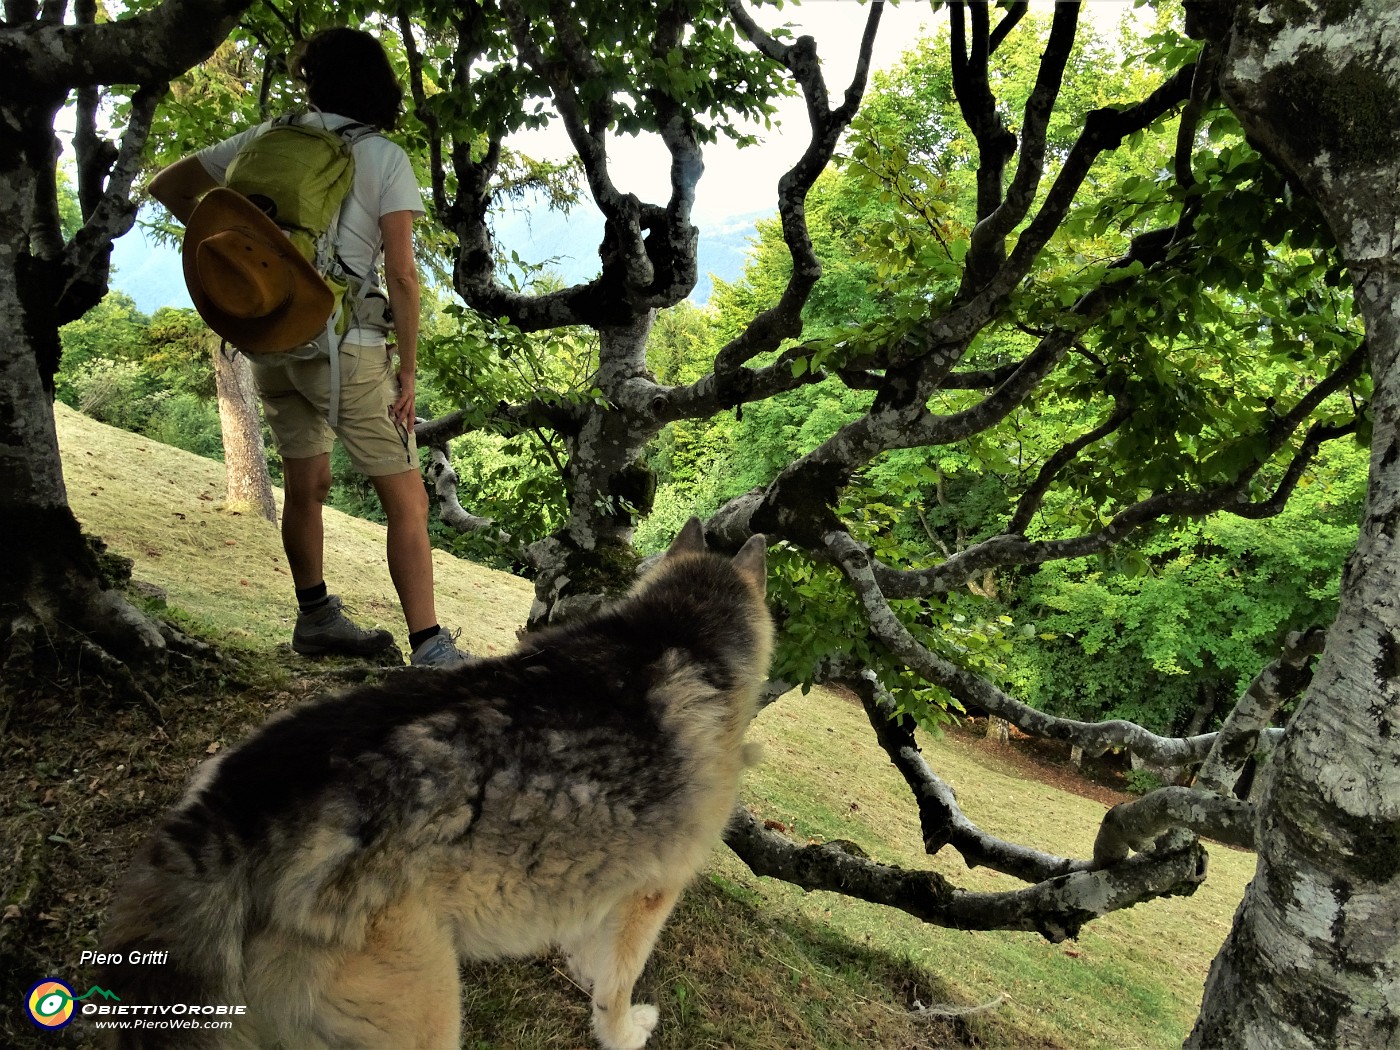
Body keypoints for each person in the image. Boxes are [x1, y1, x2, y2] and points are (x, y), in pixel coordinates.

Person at [149, 28, 468, 669]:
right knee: (408, 498)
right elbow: (403, 275)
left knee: (307, 481)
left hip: (274, 333)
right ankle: (431, 647)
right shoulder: (383, 156)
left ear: (313, 79)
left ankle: (315, 616)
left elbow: (172, 185)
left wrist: (254, 262)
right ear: (379, 83)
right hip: (348, 345)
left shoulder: (269, 137)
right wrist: (408, 369)